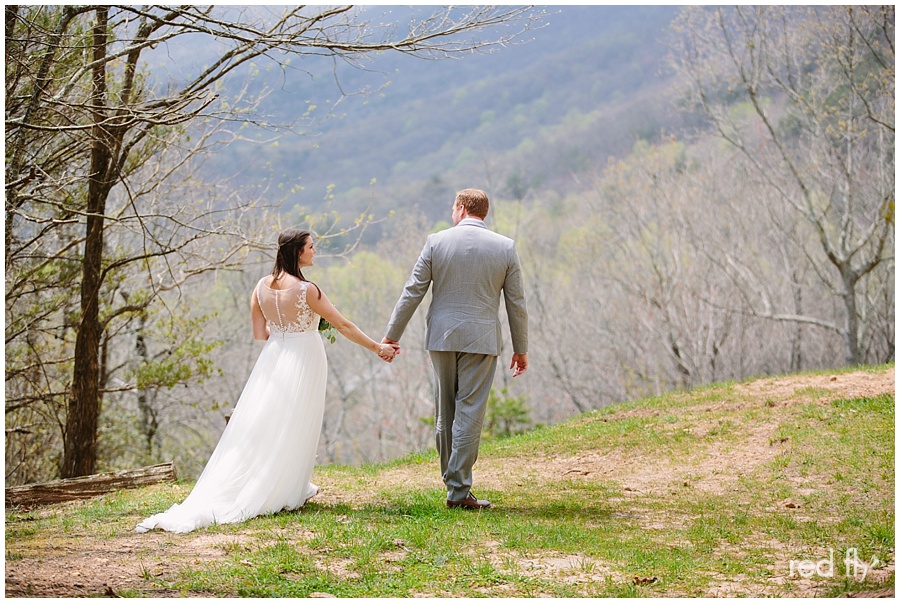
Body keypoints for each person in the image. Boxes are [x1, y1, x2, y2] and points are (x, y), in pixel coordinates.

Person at [136, 229, 396, 533]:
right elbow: (343, 324)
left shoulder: (260, 287)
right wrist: (378, 347)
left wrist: (286, 336)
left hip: (273, 359)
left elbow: (261, 335)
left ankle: (284, 482)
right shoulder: (307, 290)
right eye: (312, 247)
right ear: (298, 252)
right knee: (296, 421)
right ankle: (287, 487)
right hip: (303, 359)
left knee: (269, 421)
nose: (315, 251)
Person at [383, 188, 528, 510]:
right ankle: (458, 490)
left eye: (453, 207)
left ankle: (454, 485)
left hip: (441, 337)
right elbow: (516, 303)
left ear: (462, 209)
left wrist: (392, 334)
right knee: (470, 412)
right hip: (482, 339)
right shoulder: (505, 247)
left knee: (445, 412)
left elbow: (412, 291)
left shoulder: (436, 242)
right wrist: (521, 347)